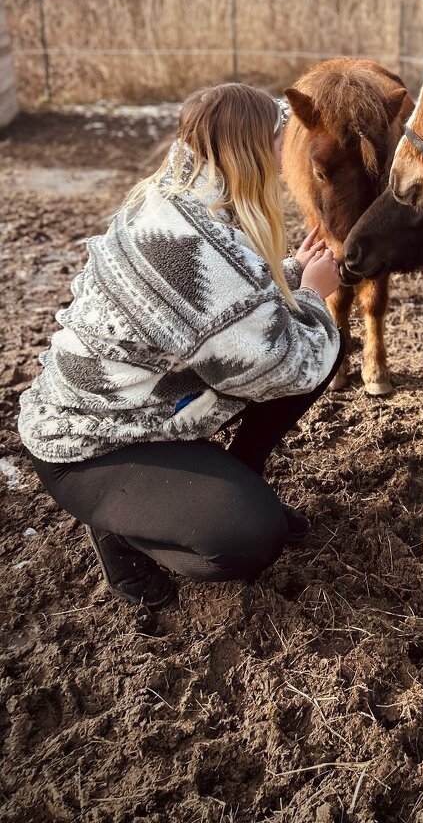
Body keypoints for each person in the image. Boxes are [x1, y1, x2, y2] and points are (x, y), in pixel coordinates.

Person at [18, 83, 343, 608]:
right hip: (91, 446)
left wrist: (294, 274)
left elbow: (223, 309)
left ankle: (234, 477)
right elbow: (280, 361)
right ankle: (119, 528)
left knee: (320, 343)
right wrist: (310, 294)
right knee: (247, 537)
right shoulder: (188, 244)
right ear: (252, 150)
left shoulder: (186, 201)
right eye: (280, 140)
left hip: (144, 413)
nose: (287, 154)